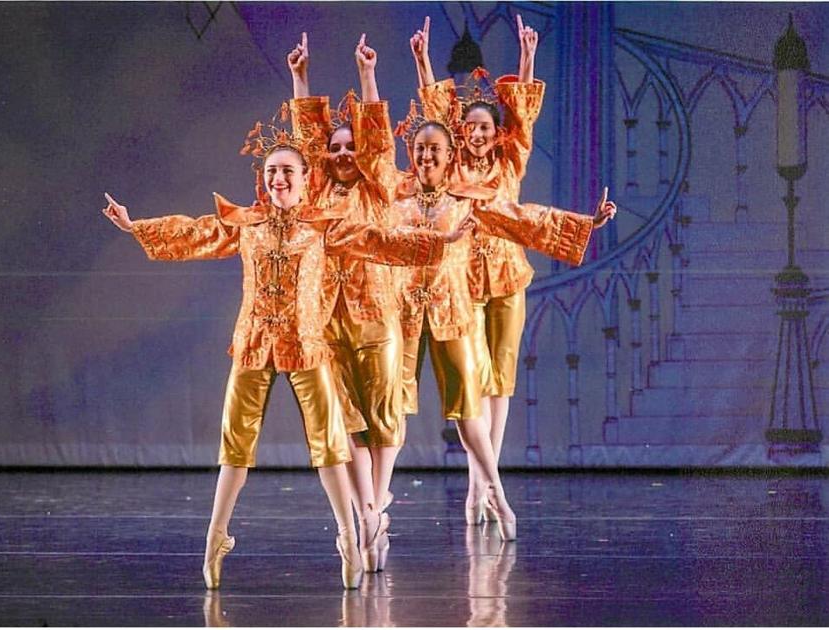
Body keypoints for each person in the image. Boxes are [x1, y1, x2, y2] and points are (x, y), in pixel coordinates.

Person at [101, 125, 471, 590]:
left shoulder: (322, 227)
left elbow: (379, 240)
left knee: (330, 446)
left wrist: (441, 241)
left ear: (304, 177)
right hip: (253, 345)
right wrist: (136, 227)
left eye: (287, 172)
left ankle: (349, 538)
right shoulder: (248, 224)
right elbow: (196, 233)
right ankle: (215, 538)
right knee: (235, 445)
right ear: (264, 179)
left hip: (306, 347)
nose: (278, 179)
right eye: (272, 172)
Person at [410, 15, 609, 524]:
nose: (477, 133)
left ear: (494, 132)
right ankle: (483, 483)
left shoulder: (510, 160)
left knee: (500, 381)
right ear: (460, 134)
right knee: (471, 382)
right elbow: (434, 113)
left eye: (485, 126)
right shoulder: (451, 166)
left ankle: (483, 483)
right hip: (462, 280)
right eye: (470, 127)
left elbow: (522, 116)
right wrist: (423, 61)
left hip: (506, 278)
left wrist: (527, 58)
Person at [286, 32, 404, 572]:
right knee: (346, 419)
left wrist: (367, 75)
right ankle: (366, 514)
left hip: (375, 314)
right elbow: (307, 142)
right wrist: (300, 79)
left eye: (348, 147)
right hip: (326, 321)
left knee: (383, 418)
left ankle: (375, 507)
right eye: (334, 149)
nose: (341, 154)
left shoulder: (376, 188)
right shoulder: (314, 191)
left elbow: (377, 139)